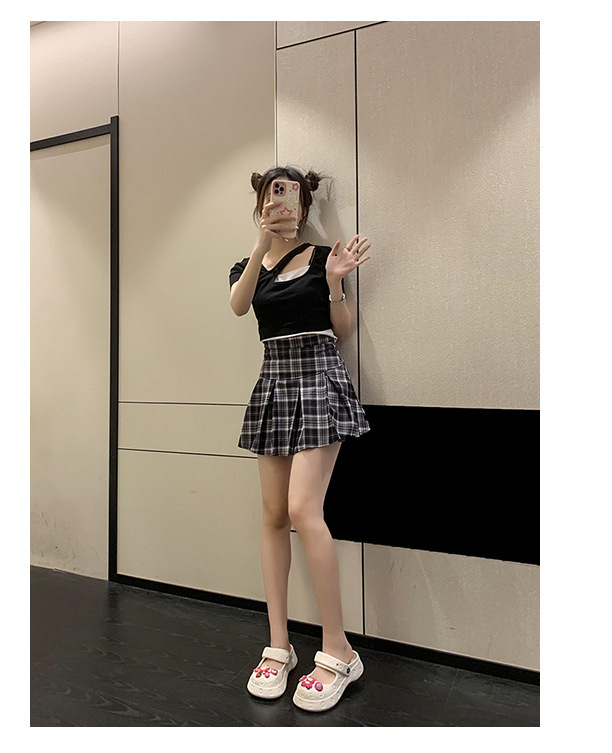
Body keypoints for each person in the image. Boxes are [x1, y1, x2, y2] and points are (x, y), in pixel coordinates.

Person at [228, 165, 371, 712]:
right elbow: (239, 305)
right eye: (271, 194)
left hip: (318, 377)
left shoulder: (322, 257)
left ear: (304, 205)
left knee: (302, 510)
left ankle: (339, 650)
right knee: (271, 515)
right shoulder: (248, 266)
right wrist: (261, 242)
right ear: (261, 204)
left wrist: (334, 282)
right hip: (274, 381)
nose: (280, 202)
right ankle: (279, 645)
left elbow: (343, 331)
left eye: (289, 195)